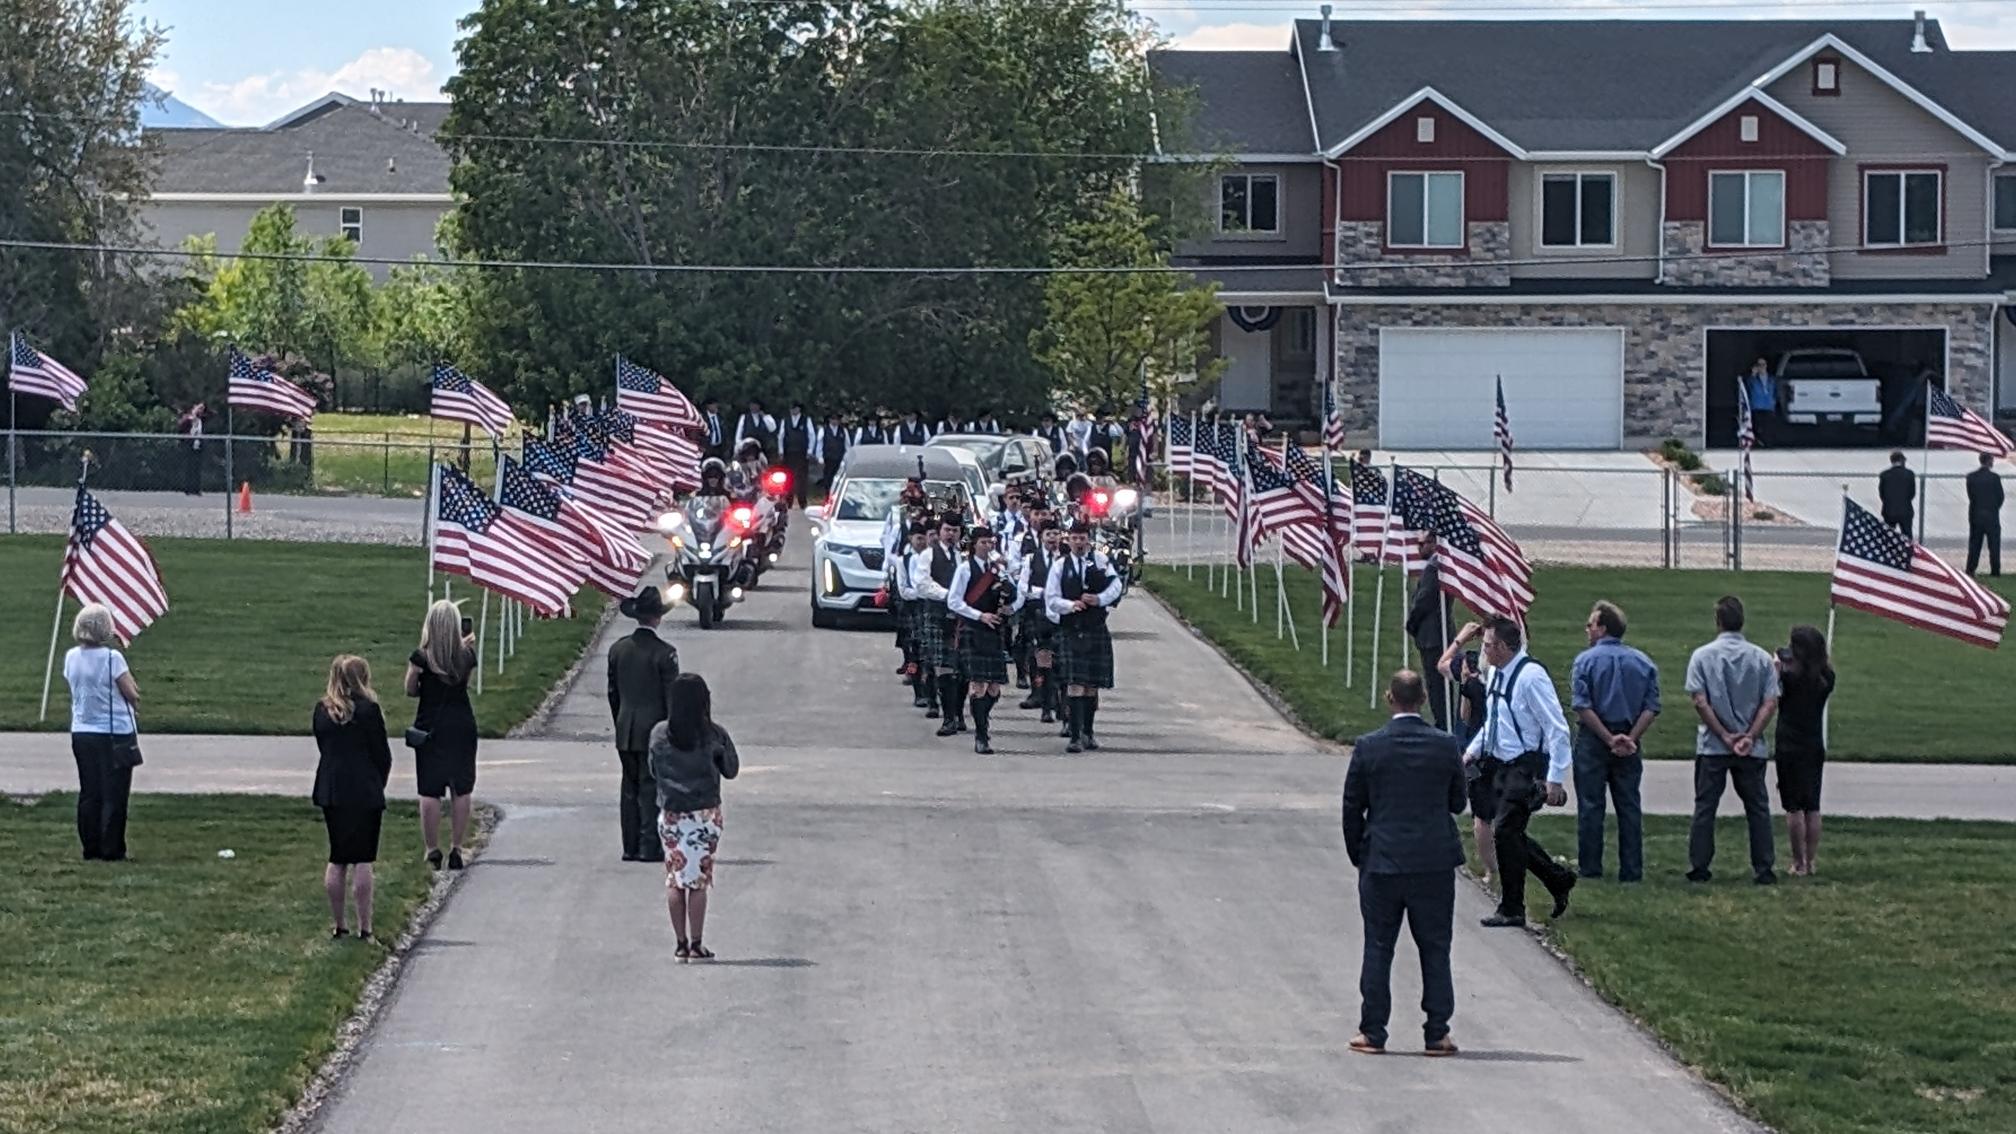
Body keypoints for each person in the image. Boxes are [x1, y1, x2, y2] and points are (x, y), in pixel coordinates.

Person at [1342, 671, 1466, 1058]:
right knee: (1435, 947)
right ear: (1424, 698)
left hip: (1382, 860)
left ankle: (1373, 1031)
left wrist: (1359, 853)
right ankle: (1436, 1032)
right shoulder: (1445, 746)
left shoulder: (1369, 747)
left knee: (1379, 945)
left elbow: (1351, 807)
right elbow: (1457, 802)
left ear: (1389, 698)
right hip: (1433, 861)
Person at [1464, 616, 1577, 927]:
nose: (1483, 651)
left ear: (1502, 646)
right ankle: (1558, 878)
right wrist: (1471, 752)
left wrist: (1554, 778)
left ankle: (1512, 907)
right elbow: (1495, 720)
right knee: (1509, 833)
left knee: (1504, 831)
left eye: (1487, 645)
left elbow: (1557, 729)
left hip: (1528, 765)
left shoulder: (1531, 677)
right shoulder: (1496, 675)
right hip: (1501, 763)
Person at [1684, 595, 1780, 885]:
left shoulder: (1702, 656)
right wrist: (1749, 735)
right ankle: (1763, 868)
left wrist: (1724, 734)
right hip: (1751, 746)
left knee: (1705, 807)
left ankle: (1700, 865)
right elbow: (1770, 702)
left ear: (1718, 622)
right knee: (1757, 808)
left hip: (1713, 745)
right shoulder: (1762, 658)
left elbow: (1700, 702)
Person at [649, 674, 740, 962]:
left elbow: (653, 770)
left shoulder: (660, 734)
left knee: (675, 878)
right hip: (704, 814)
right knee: (698, 880)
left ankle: (680, 943)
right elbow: (731, 769)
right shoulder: (713, 735)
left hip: (672, 814)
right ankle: (698, 943)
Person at [1568, 601, 1659, 883]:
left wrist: (1608, 738)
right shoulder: (1643, 662)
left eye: (1590, 624)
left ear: (1602, 628)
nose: (1587, 629)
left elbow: (1582, 706)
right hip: (1629, 736)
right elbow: (1651, 706)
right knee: (1629, 805)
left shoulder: (1585, 661)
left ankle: (1590, 867)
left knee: (1591, 804)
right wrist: (1630, 738)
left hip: (1595, 738)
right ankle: (1631, 869)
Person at [312, 655, 392, 940]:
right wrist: (378, 782)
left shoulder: (322, 711)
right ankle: (365, 926)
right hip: (364, 789)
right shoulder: (369, 711)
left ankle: (339, 924)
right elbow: (382, 755)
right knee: (363, 859)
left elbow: (323, 747)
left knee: (337, 857)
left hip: (332, 789)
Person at [63, 603, 142, 861]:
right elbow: (130, 692)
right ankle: (112, 849)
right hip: (113, 732)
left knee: (90, 792)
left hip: (81, 730)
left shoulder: (71, 656)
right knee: (114, 794)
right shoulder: (112, 658)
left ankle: (91, 846)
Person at [404, 600, 479, 871]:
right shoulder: (467, 656)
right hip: (461, 723)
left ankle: (432, 848)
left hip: (430, 725)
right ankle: (457, 848)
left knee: (430, 789)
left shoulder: (422, 657)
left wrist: (418, 674)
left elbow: (411, 690)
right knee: (462, 787)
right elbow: (463, 683)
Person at [608, 586, 680, 862]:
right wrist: (671, 731)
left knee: (629, 788)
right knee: (650, 788)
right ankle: (649, 845)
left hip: (625, 727)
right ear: (658, 618)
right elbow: (670, 697)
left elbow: (613, 693)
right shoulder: (665, 654)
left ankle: (629, 845)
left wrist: (620, 720)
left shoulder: (618, 650)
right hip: (653, 730)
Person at [1044, 520, 1122, 753]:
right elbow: (1051, 599)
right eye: (1075, 538)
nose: (1079, 543)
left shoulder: (1101, 561)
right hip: (1071, 628)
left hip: (1095, 627)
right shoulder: (1060, 566)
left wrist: (1099, 599)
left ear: (1089, 540)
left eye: (1083, 538)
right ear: (1068, 540)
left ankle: (1088, 732)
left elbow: (1116, 586)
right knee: (1075, 685)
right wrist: (1071, 605)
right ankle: (1075, 736)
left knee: (1091, 686)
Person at [1774, 625, 1835, 877]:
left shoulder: (1789, 679)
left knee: (1793, 806)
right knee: (1812, 805)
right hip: (1813, 743)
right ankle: (1811, 860)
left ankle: (1798, 861)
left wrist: (1777, 669)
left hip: (1789, 743)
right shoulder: (1826, 679)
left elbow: (1776, 695)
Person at [948, 526, 1016, 755]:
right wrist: (980, 615)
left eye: (990, 542)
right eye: (984, 542)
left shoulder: (997, 570)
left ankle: (982, 718)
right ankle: (981, 735)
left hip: (994, 630)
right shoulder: (965, 569)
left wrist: (1009, 606)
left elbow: (1011, 594)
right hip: (973, 628)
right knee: (978, 685)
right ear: (974, 544)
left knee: (994, 688)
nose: (988, 546)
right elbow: (954, 602)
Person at [1435, 633, 1495, 883]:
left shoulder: (1468, 669)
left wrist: (1460, 639)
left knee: (1481, 816)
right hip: (1502, 746)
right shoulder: (1511, 676)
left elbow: (1465, 716)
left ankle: (1492, 868)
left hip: (1473, 747)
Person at [911, 513, 967, 734]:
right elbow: (922, 585)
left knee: (963, 670)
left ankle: (960, 713)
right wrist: (950, 595)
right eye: (947, 530)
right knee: (943, 667)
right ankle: (948, 718)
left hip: (962, 617)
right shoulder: (928, 555)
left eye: (955, 530)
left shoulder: (964, 555)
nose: (951, 534)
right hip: (937, 614)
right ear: (940, 531)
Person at [1404, 533, 1456, 731]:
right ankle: (1444, 722)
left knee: (1437, 686)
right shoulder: (1441, 566)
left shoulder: (1435, 568)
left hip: (1433, 637)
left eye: (1423, 543)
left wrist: (1411, 624)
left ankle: (1443, 725)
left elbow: (1423, 601)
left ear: (1435, 544)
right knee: (1439, 686)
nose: (1419, 547)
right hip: (1438, 634)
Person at [1016, 522, 1063, 723]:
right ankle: (1044, 704)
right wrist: (1044, 593)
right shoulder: (1031, 559)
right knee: (1043, 663)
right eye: (1048, 534)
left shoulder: (1065, 558)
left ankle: (1061, 705)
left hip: (1061, 615)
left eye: (1055, 534)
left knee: (1061, 664)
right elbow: (1024, 587)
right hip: (1038, 614)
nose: (1052, 538)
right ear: (1041, 537)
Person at [1966, 452, 2004, 576]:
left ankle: (1970, 569)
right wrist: (1993, 508)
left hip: (1976, 515)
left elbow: (1971, 496)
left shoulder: (1971, 477)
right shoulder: (1995, 478)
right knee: (1994, 546)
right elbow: (2000, 497)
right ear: (1988, 461)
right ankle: (1995, 570)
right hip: (1992, 515)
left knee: (1974, 545)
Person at [778, 402, 817, 507]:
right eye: (791, 409)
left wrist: (810, 451)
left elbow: (811, 435)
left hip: (802, 452)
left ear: (799, 409)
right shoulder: (785, 421)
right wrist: (781, 451)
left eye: (795, 408)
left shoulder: (806, 420)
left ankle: (802, 501)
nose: (793, 411)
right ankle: (788, 501)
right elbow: (781, 436)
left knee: (802, 477)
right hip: (789, 452)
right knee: (788, 477)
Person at [1878, 450, 1915, 537]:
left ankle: (1890, 550)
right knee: (1907, 536)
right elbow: (1912, 493)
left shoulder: (1884, 475)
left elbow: (1882, 493)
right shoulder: (1909, 474)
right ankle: (1907, 550)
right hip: (1905, 510)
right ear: (1902, 460)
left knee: (1889, 537)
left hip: (1889, 510)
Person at [1744, 358, 1778, 446]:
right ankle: (1758, 442)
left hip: (1768, 406)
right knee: (1757, 426)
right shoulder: (1753, 379)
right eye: (1759, 365)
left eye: (1763, 365)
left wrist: (1774, 402)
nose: (1761, 367)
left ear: (1766, 366)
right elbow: (1748, 386)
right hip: (1757, 406)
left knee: (1769, 427)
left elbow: (1775, 391)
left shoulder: (1771, 379)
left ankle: (1768, 443)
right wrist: (1753, 374)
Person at [177, 403, 206, 495]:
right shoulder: (188, 418)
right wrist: (191, 416)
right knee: (188, 468)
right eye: (199, 408)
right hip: (188, 446)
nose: (200, 411)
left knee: (197, 469)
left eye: (202, 409)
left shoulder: (201, 420)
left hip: (198, 447)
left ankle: (197, 489)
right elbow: (180, 426)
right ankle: (187, 489)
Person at [819, 413, 849, 491]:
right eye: (833, 419)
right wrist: (820, 457)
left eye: (837, 419)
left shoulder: (843, 431)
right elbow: (820, 444)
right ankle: (827, 494)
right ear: (829, 420)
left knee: (839, 478)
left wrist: (846, 458)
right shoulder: (823, 430)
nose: (835, 421)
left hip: (840, 458)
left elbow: (847, 445)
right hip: (828, 458)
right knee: (828, 477)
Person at [699, 397, 727, 462]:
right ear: (708, 406)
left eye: (715, 404)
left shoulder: (720, 417)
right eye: (712, 404)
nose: (715, 406)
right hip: (708, 448)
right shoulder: (703, 419)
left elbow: (725, 432)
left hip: (720, 448)